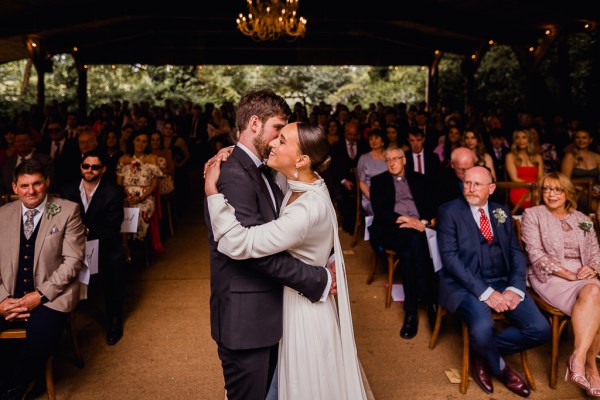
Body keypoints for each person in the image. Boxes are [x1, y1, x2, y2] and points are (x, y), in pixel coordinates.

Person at [205, 121, 367, 399]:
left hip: (304, 313)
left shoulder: (305, 210)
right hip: (292, 302)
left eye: (282, 140)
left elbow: (239, 242)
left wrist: (212, 193)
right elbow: (254, 159)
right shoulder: (299, 180)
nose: (273, 144)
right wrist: (232, 149)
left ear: (302, 159)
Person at [436, 166, 550, 398]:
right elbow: (450, 259)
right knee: (482, 327)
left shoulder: (502, 212)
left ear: (491, 188)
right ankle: (501, 368)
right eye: (467, 182)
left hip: (503, 281)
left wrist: (515, 287)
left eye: (477, 184)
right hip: (466, 284)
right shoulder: (449, 211)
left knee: (540, 330)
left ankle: (482, 353)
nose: (470, 188)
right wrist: (486, 292)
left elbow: (516, 252)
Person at [0, 158, 86, 399]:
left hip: (51, 296)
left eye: (37, 183)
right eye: (25, 185)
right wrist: (3, 301)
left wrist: (39, 296)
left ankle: (12, 390)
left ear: (46, 182)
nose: (31, 191)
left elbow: (73, 261)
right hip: (8, 295)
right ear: (14, 187)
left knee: (37, 338)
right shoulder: (2, 215)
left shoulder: (68, 210)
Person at [521, 172, 600, 397]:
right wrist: (565, 273)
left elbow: (595, 253)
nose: (551, 194)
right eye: (546, 189)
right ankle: (590, 367)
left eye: (557, 189)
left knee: (594, 291)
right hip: (550, 275)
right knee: (596, 293)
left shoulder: (582, 218)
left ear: (567, 193)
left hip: (583, 275)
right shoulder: (532, 214)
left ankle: (579, 358)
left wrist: (592, 268)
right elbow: (534, 254)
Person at [369, 147, 438, 339]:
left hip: (420, 229)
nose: (392, 163)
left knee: (409, 254)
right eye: (388, 160)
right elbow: (381, 212)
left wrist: (422, 222)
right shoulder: (379, 181)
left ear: (404, 160)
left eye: (395, 159)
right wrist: (407, 221)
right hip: (392, 229)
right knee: (414, 240)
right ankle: (430, 300)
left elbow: (432, 206)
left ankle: (411, 313)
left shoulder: (420, 179)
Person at [60, 150, 127, 345]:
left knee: (116, 262)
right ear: (81, 166)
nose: (89, 170)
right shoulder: (67, 189)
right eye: (86, 166)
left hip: (103, 243)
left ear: (103, 169)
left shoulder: (113, 192)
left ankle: (115, 320)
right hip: (71, 245)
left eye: (95, 167)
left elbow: (113, 225)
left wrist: (85, 233)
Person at [116, 130, 162, 263]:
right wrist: (127, 196)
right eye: (138, 140)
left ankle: (134, 248)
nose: (140, 144)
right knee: (120, 212)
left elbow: (154, 184)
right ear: (132, 141)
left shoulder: (152, 159)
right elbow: (119, 183)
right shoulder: (123, 159)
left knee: (140, 211)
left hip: (145, 197)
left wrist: (141, 197)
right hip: (126, 196)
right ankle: (125, 246)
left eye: (144, 141)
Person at [561, 128, 600, 213]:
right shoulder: (570, 156)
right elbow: (564, 181)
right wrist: (584, 183)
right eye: (577, 138)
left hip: (595, 191)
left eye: (584, 138)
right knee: (591, 203)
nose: (581, 140)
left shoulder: (597, 157)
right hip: (577, 191)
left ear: (590, 140)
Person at [505, 129, 544, 211]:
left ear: (529, 139)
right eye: (517, 138)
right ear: (514, 140)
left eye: (524, 137)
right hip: (519, 188)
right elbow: (514, 178)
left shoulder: (537, 157)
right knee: (535, 199)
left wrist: (536, 189)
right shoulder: (510, 156)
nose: (521, 141)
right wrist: (531, 187)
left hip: (536, 188)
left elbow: (540, 177)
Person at [356, 128, 387, 216]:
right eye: (371, 139)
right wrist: (372, 197)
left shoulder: (389, 157)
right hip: (370, 196)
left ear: (382, 140)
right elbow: (361, 182)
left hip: (389, 194)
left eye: (376, 138)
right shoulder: (364, 158)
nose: (373, 141)